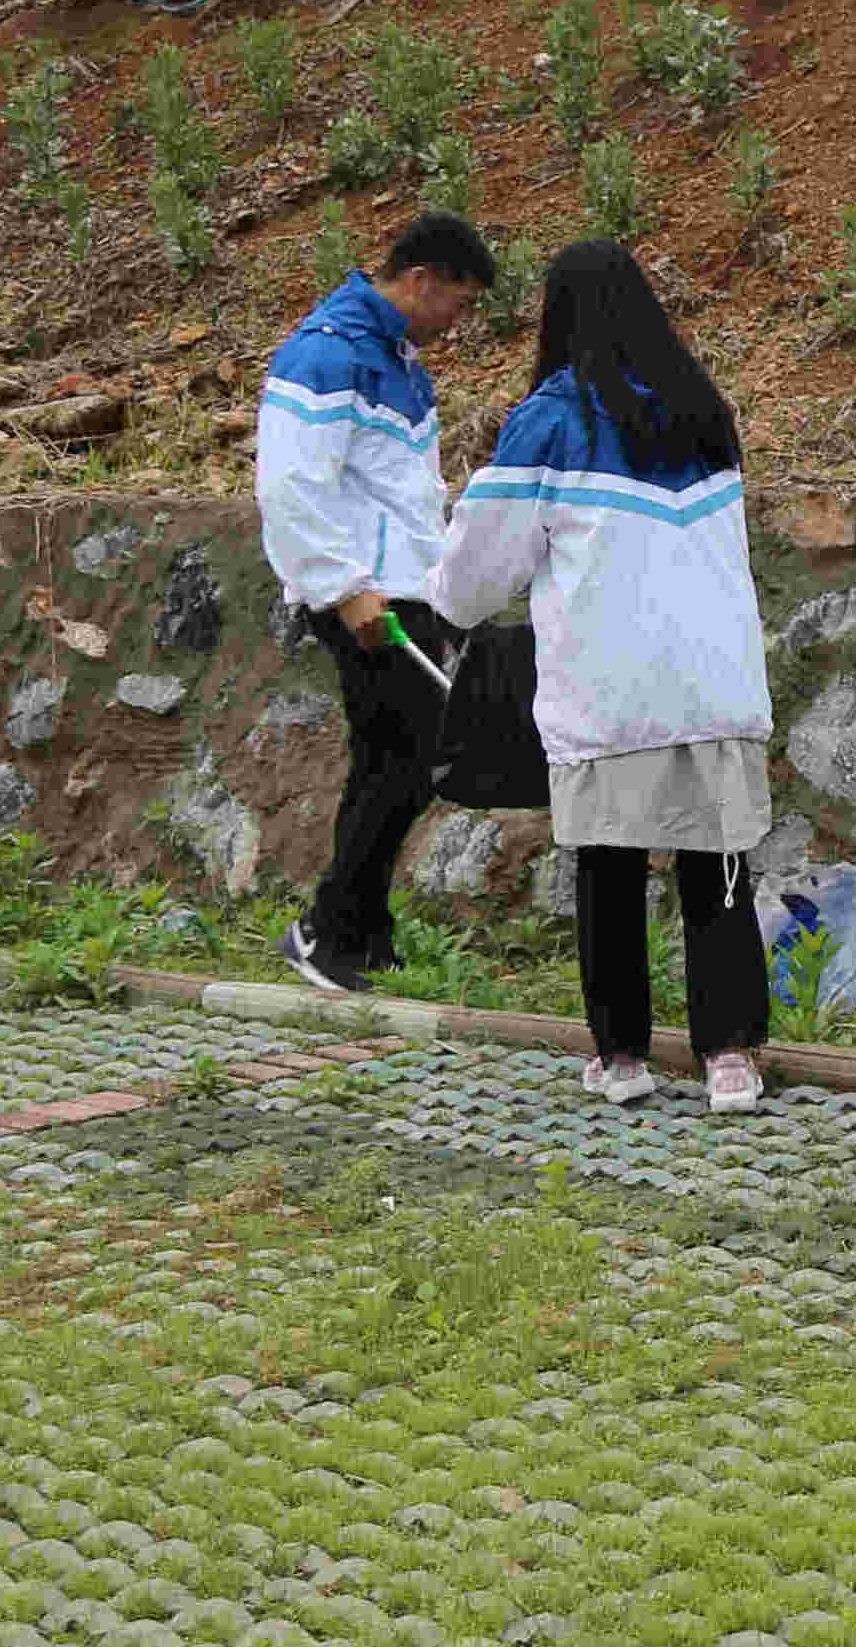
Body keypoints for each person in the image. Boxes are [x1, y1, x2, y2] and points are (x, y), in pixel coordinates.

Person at [433, 243, 782, 1111]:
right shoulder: (704, 412)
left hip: (611, 690)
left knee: (609, 873)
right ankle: (730, 1059)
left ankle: (622, 1059)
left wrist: (442, 576)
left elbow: (472, 583)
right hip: (713, 684)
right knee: (717, 872)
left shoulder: (551, 421)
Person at [253, 211, 495, 997]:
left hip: (403, 587)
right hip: (364, 595)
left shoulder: (393, 359)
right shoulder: (326, 353)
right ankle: (326, 930)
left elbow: (397, 489)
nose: (458, 321)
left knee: (396, 759)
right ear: (421, 281)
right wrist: (345, 590)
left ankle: (361, 929)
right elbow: (291, 484)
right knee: (409, 755)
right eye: (459, 301)